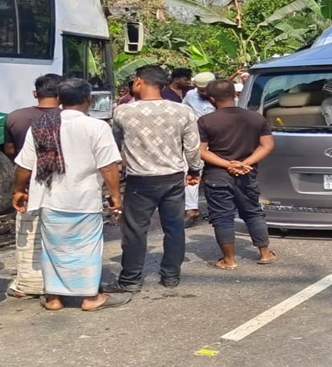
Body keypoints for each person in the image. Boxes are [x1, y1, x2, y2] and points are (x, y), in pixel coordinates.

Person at [13, 78, 129, 312]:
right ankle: (90, 297)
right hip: (83, 199)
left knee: (53, 249)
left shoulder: (40, 126)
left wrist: (18, 190)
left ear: (58, 100)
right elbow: (108, 167)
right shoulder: (96, 127)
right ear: (88, 100)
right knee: (86, 249)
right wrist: (115, 195)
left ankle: (54, 298)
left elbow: (24, 166)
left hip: (50, 199)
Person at [104, 65, 202, 293]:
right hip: (173, 178)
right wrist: (195, 171)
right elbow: (192, 148)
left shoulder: (123, 112)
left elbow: (114, 144)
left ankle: (131, 280)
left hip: (140, 181)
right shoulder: (183, 111)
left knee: (135, 230)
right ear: (164, 84)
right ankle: (170, 276)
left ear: (138, 81)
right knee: (174, 227)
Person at [199, 80, 278, 269]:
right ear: (235, 94)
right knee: (252, 212)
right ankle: (265, 253)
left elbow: (202, 151)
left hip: (217, 176)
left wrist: (228, 164)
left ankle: (229, 260)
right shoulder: (256, 118)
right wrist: (245, 163)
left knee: (222, 217)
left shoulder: (206, 121)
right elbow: (267, 145)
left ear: (211, 99)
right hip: (247, 175)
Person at [1, 73, 63, 300]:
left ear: (36, 93)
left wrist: (20, 183)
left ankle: (30, 283)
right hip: (63, 185)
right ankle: (61, 284)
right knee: (61, 237)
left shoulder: (15, 117)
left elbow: (10, 151)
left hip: (28, 182)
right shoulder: (69, 117)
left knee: (29, 238)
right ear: (61, 94)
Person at [181, 72, 218, 225]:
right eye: (200, 90)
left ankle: (218, 209)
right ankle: (191, 209)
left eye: (206, 90)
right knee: (191, 172)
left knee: (216, 175)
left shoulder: (220, 96)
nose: (202, 93)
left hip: (217, 139)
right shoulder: (190, 95)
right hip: (194, 140)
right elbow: (183, 112)